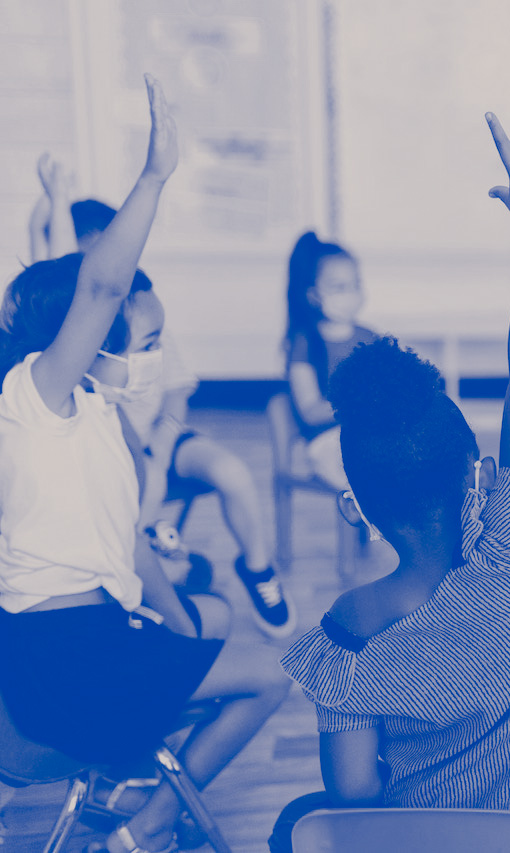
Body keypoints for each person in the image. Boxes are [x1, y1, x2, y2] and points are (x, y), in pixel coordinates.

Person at [270, 103, 510, 851]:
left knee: (299, 822)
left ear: (358, 507)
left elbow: (353, 794)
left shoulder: (350, 628)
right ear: (477, 476)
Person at [0, 75, 289, 853]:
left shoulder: (89, 410)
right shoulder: (31, 400)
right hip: (67, 660)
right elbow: (93, 284)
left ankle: (138, 818)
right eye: (144, 338)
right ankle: (148, 827)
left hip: (93, 639)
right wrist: (157, 172)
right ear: (83, 340)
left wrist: (177, 614)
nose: (153, 353)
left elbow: (125, 539)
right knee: (270, 673)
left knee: (225, 632)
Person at [39, 188, 296, 639]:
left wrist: (161, 443)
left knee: (233, 473)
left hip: (164, 434)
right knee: (143, 508)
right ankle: (158, 574)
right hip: (118, 454)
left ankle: (258, 569)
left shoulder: (141, 307)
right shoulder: (69, 335)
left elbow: (176, 385)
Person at [283, 231, 378, 492]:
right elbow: (310, 412)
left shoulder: (371, 338)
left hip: (371, 436)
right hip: (328, 442)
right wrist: (359, 404)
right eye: (339, 287)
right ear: (314, 295)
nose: (351, 293)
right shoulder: (305, 343)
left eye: (355, 284)